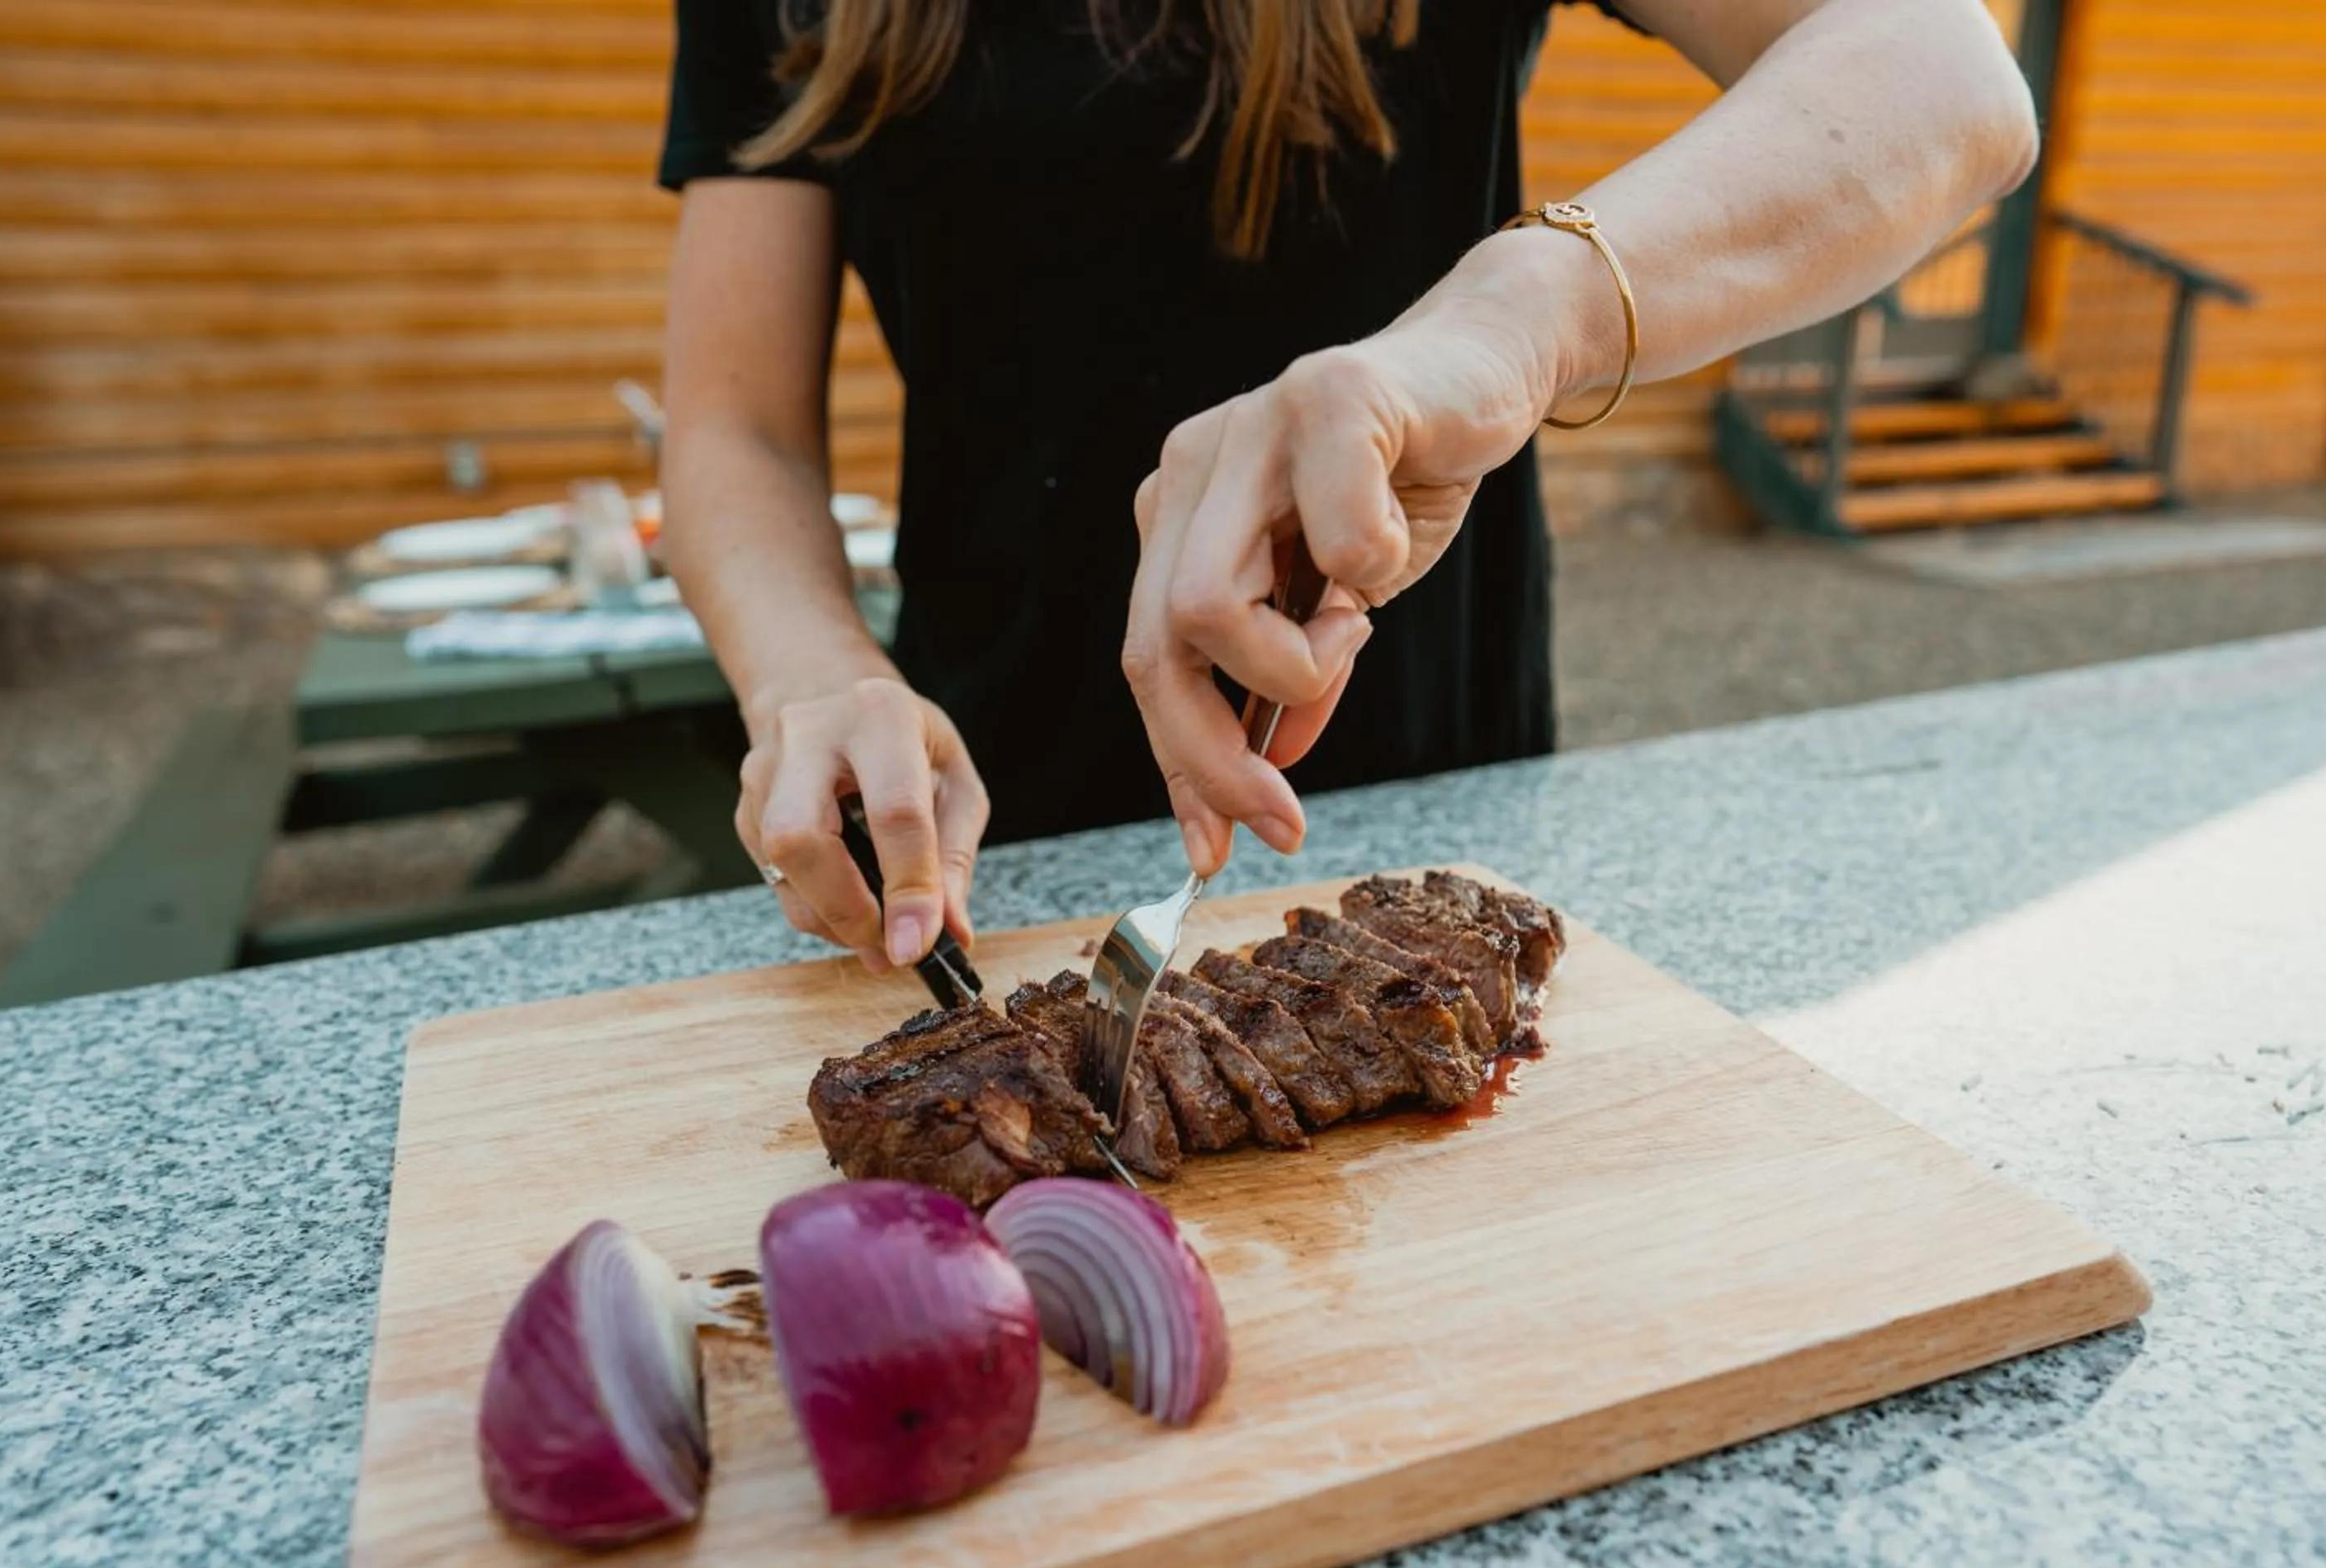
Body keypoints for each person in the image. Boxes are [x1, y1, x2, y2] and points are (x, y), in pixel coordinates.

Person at [656, 0, 2037, 973]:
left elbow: (1943, 77)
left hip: (1427, 785)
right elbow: (735, 427)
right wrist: (807, 674)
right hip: (969, 823)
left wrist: (1513, 318)